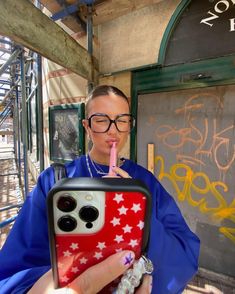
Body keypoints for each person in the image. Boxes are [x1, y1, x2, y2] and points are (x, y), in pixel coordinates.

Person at [0, 85, 200, 293]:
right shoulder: (56, 181)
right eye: (102, 120)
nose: (113, 130)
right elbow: (16, 264)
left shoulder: (144, 183)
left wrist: (134, 208)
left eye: (122, 120)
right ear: (86, 126)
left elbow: (184, 252)